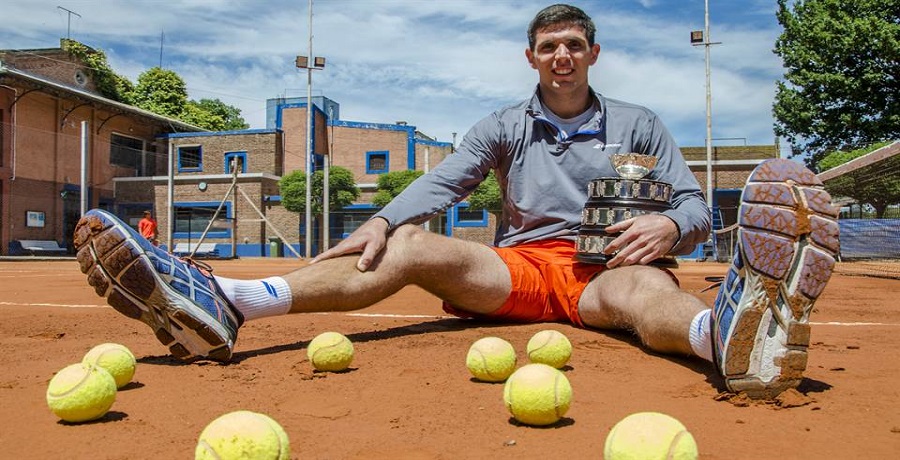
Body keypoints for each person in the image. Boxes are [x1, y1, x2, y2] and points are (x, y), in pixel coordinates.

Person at [72, 4, 838, 399]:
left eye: (575, 43)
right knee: (406, 247)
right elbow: (444, 183)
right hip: (523, 269)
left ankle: (731, 340)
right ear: (532, 57)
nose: (563, 54)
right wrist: (380, 217)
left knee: (643, 291)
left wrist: (669, 220)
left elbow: (700, 208)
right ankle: (229, 303)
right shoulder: (504, 125)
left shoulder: (640, 124)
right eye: (550, 46)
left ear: (593, 54)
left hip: (610, 267)